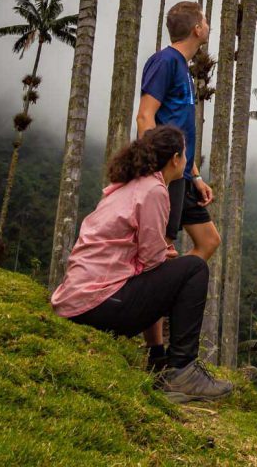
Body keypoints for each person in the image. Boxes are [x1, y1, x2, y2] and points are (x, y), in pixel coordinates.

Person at [51, 127, 232, 404]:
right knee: (194, 268)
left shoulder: (125, 185)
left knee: (176, 268)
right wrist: (163, 255)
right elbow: (150, 260)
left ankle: (163, 360)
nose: (187, 160)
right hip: (99, 305)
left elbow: (140, 253)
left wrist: (160, 255)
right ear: (175, 158)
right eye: (185, 154)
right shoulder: (154, 190)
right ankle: (182, 370)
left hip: (75, 302)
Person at [137, 0, 220, 368]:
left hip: (183, 175)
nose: (208, 25)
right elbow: (145, 117)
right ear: (197, 30)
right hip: (165, 175)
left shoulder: (184, 70)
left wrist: (196, 175)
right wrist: (156, 173)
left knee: (209, 241)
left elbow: (180, 131)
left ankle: (169, 293)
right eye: (205, 21)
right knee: (158, 256)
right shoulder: (165, 61)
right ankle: (156, 353)